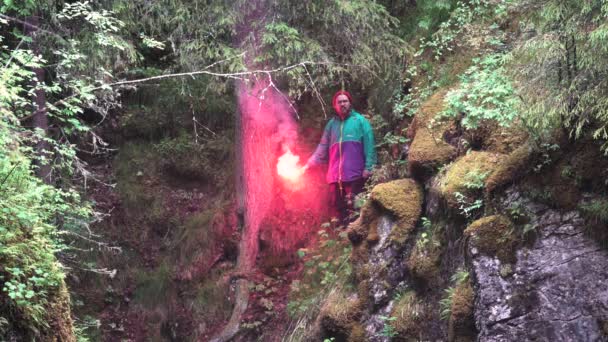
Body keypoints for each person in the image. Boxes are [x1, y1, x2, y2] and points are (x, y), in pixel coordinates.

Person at [303, 90, 377, 225]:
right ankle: (342, 240)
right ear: (335, 106)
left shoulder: (360, 121)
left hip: (356, 175)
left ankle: (357, 238)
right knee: (339, 209)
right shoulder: (331, 125)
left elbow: (369, 144)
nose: (343, 104)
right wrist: (309, 164)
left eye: (345, 101)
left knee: (357, 208)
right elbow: (322, 147)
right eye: (339, 102)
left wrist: (369, 167)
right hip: (335, 177)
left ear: (350, 103)